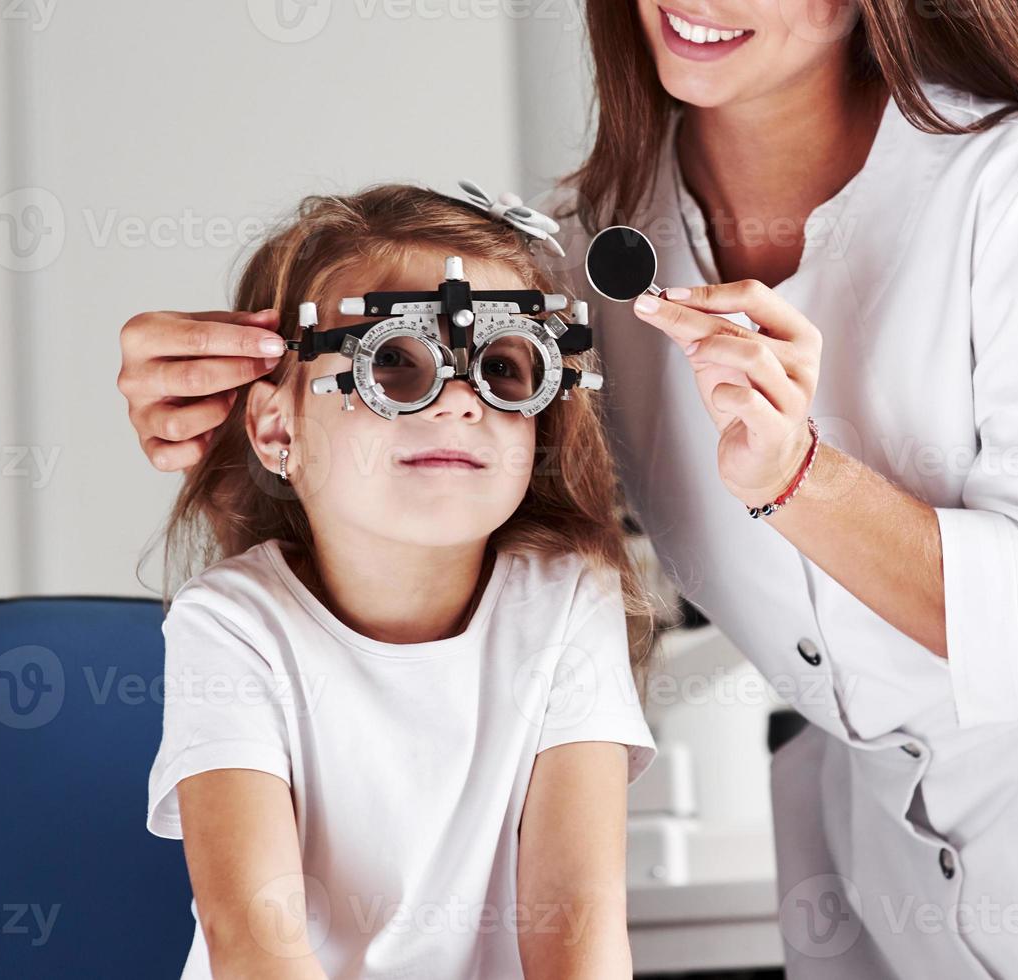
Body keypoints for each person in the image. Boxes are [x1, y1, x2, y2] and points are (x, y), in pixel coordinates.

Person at [120, 2, 1018, 976]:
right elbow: (427, 396)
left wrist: (805, 480)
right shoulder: (599, 248)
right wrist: (238, 389)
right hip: (892, 875)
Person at [142, 184, 656, 979]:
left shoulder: (564, 602)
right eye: (393, 363)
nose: (458, 403)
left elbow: (578, 938)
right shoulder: (232, 625)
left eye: (503, 368)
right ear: (279, 427)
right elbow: (255, 946)